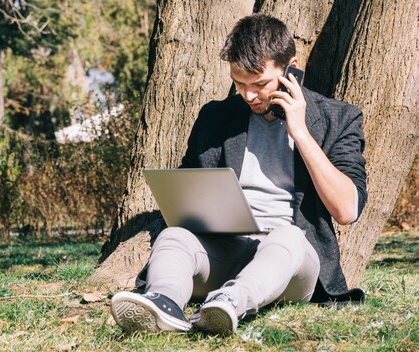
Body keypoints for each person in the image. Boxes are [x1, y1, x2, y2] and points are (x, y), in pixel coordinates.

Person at [109, 14, 367, 336]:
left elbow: (346, 210)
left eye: (260, 83)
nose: (249, 96)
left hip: (291, 263)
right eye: (239, 83)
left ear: (292, 69)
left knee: (287, 237)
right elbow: (188, 193)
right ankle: (163, 305)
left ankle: (229, 303)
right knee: (174, 236)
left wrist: (300, 133)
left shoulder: (338, 119)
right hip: (226, 249)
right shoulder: (216, 117)